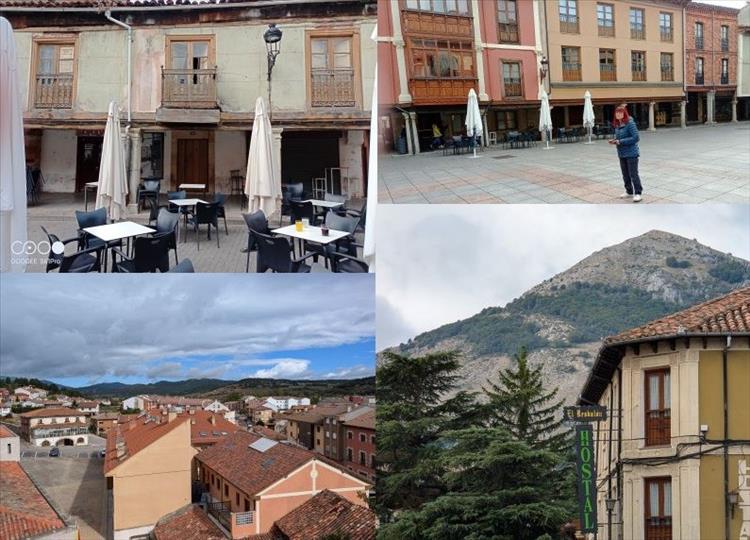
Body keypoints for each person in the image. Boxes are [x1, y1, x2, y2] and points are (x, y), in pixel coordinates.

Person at [609, 104, 643, 202]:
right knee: (625, 174)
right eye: (617, 113)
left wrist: (620, 142)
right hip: (621, 153)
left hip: (631, 153)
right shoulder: (617, 125)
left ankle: (638, 193)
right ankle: (629, 191)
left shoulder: (630, 123)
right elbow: (621, 138)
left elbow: (636, 138)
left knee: (633, 174)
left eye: (620, 112)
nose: (618, 114)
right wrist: (615, 140)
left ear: (624, 114)